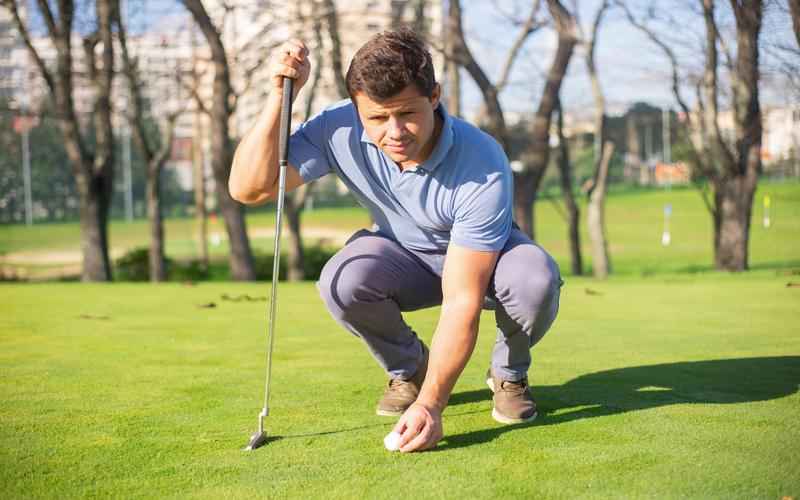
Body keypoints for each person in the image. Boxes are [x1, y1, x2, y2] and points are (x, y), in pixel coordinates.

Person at [229, 28, 562, 453]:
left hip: (487, 262)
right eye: (377, 118)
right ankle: (410, 366)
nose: (394, 132)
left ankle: (508, 373)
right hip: (404, 256)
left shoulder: (483, 160)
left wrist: (431, 406)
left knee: (534, 279)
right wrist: (280, 98)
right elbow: (248, 188)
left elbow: (462, 301)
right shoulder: (338, 127)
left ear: (435, 96)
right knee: (342, 280)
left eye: (406, 113)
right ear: (356, 109)